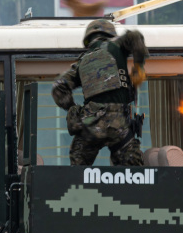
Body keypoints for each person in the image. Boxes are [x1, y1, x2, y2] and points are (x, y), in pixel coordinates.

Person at [52, 18, 147, 166]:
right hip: (118, 124)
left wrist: (73, 109)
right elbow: (135, 37)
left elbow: (58, 86)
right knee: (133, 174)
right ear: (110, 35)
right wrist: (139, 67)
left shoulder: (81, 62)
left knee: (77, 171)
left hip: (91, 123)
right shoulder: (117, 45)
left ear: (88, 39)